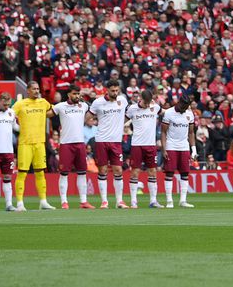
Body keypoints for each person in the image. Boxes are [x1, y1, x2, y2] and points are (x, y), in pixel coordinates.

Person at [12, 82, 55, 211]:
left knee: (40, 173)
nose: (36, 91)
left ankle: (43, 201)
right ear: (28, 91)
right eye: (34, 89)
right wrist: (16, 127)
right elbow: (10, 115)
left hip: (40, 143)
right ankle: (20, 203)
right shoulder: (20, 104)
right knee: (22, 173)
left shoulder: (43, 102)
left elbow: (53, 111)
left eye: (38, 89)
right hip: (25, 143)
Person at [89, 80, 129, 209]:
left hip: (116, 141)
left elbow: (128, 115)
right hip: (101, 140)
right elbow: (87, 116)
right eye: (113, 91)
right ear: (107, 90)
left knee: (118, 170)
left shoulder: (123, 101)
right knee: (103, 170)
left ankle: (119, 201)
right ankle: (104, 201)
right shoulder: (98, 102)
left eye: (117, 90)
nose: (115, 93)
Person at [54, 87, 92, 209]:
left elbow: (93, 109)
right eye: (74, 93)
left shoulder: (83, 106)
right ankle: (64, 201)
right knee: (64, 173)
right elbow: (48, 113)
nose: (77, 96)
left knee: (82, 173)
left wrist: (85, 98)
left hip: (80, 143)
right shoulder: (60, 106)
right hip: (66, 144)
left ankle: (83, 201)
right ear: (69, 94)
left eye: (78, 93)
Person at [127, 87, 162, 208]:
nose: (147, 105)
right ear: (141, 99)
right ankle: (133, 201)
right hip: (137, 145)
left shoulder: (155, 107)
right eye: (145, 102)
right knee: (135, 172)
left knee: (152, 171)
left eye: (149, 102)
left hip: (151, 145)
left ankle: (153, 201)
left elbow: (166, 113)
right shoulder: (132, 109)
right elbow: (123, 120)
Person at [161, 94, 197, 208]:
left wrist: (194, 149)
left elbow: (191, 133)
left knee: (185, 173)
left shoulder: (189, 114)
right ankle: (169, 201)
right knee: (169, 173)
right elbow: (163, 132)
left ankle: (183, 200)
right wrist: (164, 148)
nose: (185, 109)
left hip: (184, 146)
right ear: (179, 103)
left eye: (187, 107)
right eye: (184, 107)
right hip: (171, 145)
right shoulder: (168, 113)